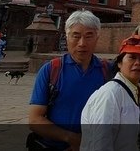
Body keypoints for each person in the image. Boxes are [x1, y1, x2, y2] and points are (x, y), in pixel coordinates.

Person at [29, 10, 110, 151]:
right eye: (76, 36)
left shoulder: (107, 71)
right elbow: (35, 119)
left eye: (89, 36)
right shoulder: (51, 70)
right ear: (66, 37)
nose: (82, 43)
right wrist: (71, 138)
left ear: (97, 37)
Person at [80, 35, 140, 151]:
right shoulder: (110, 94)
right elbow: (100, 145)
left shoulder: (135, 90)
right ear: (119, 63)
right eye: (132, 57)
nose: (138, 63)